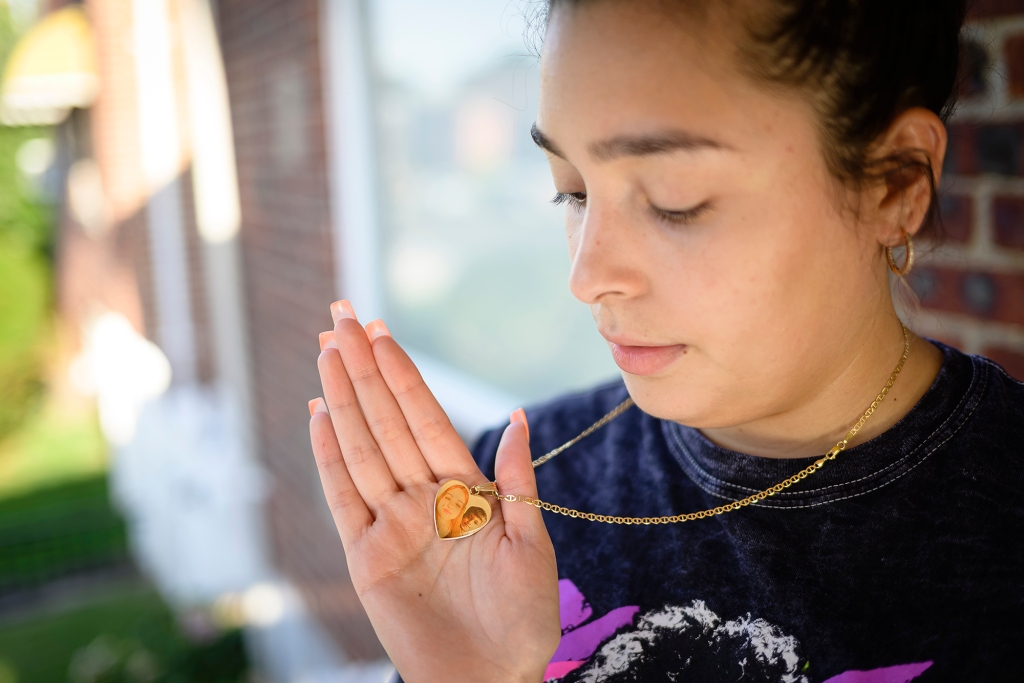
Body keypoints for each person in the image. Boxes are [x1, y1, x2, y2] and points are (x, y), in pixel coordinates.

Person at [307, 0, 1024, 680]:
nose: (587, 277)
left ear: (893, 183)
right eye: (573, 191)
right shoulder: (500, 505)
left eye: (674, 200)